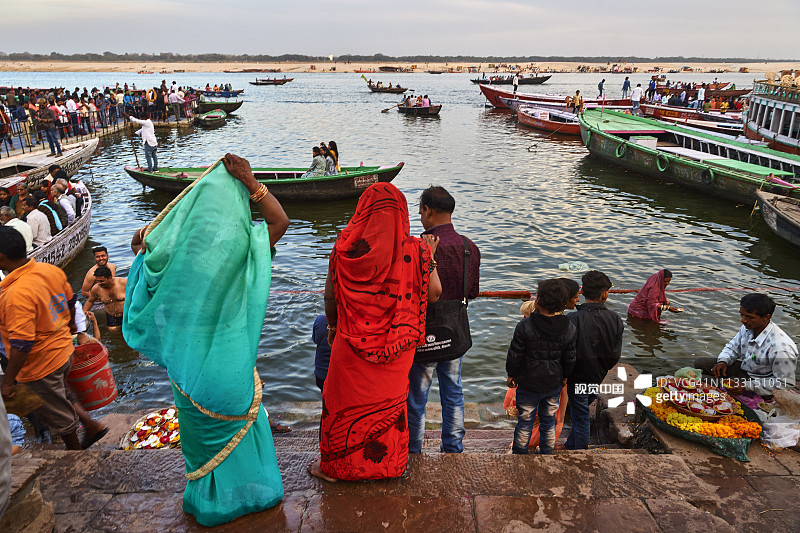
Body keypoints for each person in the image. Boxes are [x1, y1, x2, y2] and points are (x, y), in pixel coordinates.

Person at [123, 153, 289, 526]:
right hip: (230, 368)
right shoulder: (238, 257)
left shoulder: (165, 270)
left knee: (201, 436)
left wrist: (145, 246)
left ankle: (212, 503)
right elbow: (280, 221)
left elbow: (141, 264)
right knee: (242, 428)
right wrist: (250, 182)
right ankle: (254, 493)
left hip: (190, 371)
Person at [309, 182, 442, 482]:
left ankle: (337, 469)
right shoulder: (417, 250)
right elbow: (434, 293)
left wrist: (331, 326)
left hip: (349, 345)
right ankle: (387, 467)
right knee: (389, 406)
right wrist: (429, 258)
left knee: (343, 404)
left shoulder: (344, 249)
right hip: (397, 350)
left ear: (362, 211)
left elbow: (330, 297)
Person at [0, 227, 106, 450]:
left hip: (41, 363)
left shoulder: (15, 293)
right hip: (62, 350)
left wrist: (8, 381)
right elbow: (70, 301)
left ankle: (75, 456)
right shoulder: (49, 270)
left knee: (59, 415)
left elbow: (22, 343)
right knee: (62, 395)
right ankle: (91, 425)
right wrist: (71, 330)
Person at [407, 186, 480, 455]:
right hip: (454, 331)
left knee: (416, 397)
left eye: (420, 211)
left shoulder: (416, 246)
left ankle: (413, 449)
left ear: (428, 210)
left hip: (422, 332)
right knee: (453, 392)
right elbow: (470, 292)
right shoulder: (468, 248)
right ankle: (453, 447)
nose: (420, 216)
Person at [506, 279, 576, 455]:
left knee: (525, 421)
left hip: (528, 384)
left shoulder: (525, 325)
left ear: (537, 301)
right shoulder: (568, 327)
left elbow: (515, 354)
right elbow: (569, 357)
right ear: (562, 304)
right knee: (548, 420)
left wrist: (511, 374)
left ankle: (519, 452)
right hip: (553, 383)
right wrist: (565, 376)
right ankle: (546, 451)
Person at [694, 294, 798, 397]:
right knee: (699, 363)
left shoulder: (781, 348)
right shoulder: (748, 327)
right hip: (746, 370)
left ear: (766, 317)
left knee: (701, 379)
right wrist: (723, 361)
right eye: (742, 315)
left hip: (759, 383)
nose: (743, 320)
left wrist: (746, 386)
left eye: (749, 317)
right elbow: (733, 346)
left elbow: (785, 383)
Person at [565, 271, 623, 450]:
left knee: (580, 416)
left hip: (576, 376)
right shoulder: (615, 319)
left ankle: (580, 455)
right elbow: (615, 355)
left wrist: (567, 373)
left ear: (582, 292)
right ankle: (570, 445)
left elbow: (567, 352)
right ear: (605, 294)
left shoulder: (572, 319)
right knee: (580, 411)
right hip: (598, 374)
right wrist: (601, 368)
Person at [83, 266, 126, 331]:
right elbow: (90, 301)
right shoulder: (96, 288)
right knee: (113, 331)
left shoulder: (124, 283)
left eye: (101, 281)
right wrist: (83, 315)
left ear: (110, 278)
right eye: (97, 281)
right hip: (112, 316)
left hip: (127, 313)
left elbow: (136, 296)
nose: (99, 283)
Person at [312, 314, 331, 392]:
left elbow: (315, 340)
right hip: (344, 375)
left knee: (325, 397)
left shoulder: (320, 320)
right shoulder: (352, 323)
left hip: (321, 374)